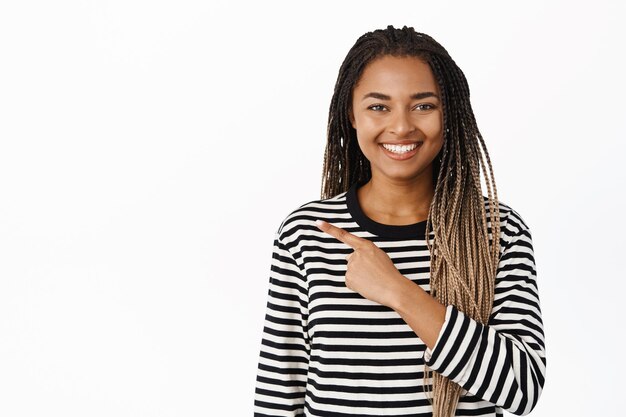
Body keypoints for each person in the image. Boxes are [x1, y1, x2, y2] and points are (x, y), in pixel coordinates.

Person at [254, 25, 546, 417]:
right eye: (379, 106)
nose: (402, 126)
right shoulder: (306, 233)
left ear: (449, 114)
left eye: (424, 105)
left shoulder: (498, 232)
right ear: (351, 115)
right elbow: (279, 393)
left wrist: (397, 290)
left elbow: (521, 388)